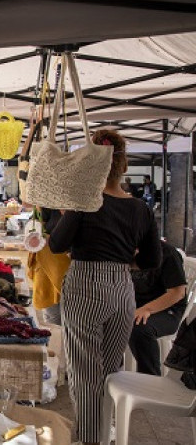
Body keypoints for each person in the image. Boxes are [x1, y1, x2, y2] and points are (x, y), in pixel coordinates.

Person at [49, 130, 161, 445]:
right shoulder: (140, 208)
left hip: (85, 285)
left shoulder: (85, 201)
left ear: (91, 164)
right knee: (111, 368)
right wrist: (124, 256)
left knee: (85, 373)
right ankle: (105, 431)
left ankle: (90, 440)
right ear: (122, 165)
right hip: (122, 288)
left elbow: (57, 244)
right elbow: (153, 259)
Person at [129, 240, 188, 375]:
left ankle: (150, 377)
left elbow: (177, 293)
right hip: (136, 305)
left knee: (139, 328)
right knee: (105, 319)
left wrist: (147, 309)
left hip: (168, 309)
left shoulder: (167, 253)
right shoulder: (123, 248)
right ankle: (112, 374)